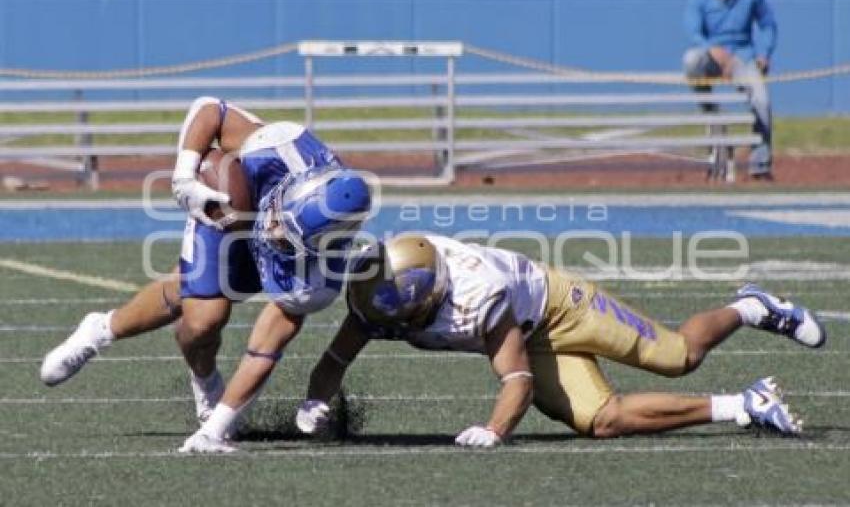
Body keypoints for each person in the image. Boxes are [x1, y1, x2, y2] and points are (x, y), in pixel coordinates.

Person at [39, 96, 372, 452]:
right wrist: (185, 177)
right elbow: (210, 108)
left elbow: (263, 351)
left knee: (187, 288)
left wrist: (215, 431)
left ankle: (108, 332)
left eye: (285, 234)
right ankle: (164, 362)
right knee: (203, 320)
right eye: (278, 218)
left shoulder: (316, 281)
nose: (272, 230)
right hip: (233, 206)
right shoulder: (277, 147)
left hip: (283, 258)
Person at [294, 234, 825, 447]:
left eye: (395, 308)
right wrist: (315, 402)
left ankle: (750, 306)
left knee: (677, 356)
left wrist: (495, 429)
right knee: (603, 421)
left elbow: (517, 378)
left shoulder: (480, 293)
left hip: (557, 305)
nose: (386, 318)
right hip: (525, 334)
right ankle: (747, 404)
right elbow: (335, 357)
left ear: (430, 293)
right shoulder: (381, 292)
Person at [683, 0, 777, 179]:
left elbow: (768, 24)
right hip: (713, 57)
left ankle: (760, 165)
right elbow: (693, 31)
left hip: (742, 59)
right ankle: (712, 116)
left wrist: (763, 54)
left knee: (762, 101)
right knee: (690, 60)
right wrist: (711, 49)